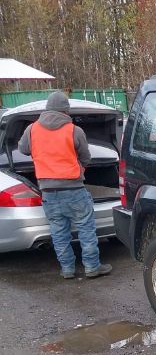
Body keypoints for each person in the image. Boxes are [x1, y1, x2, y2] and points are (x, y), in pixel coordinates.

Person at [18, 91, 112, 279]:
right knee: (86, 229)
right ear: (66, 111)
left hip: (48, 191)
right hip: (74, 189)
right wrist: (81, 169)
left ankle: (68, 270)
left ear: (47, 109)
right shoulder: (74, 130)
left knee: (59, 232)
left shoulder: (32, 130)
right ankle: (92, 267)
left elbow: (22, 149)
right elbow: (86, 157)